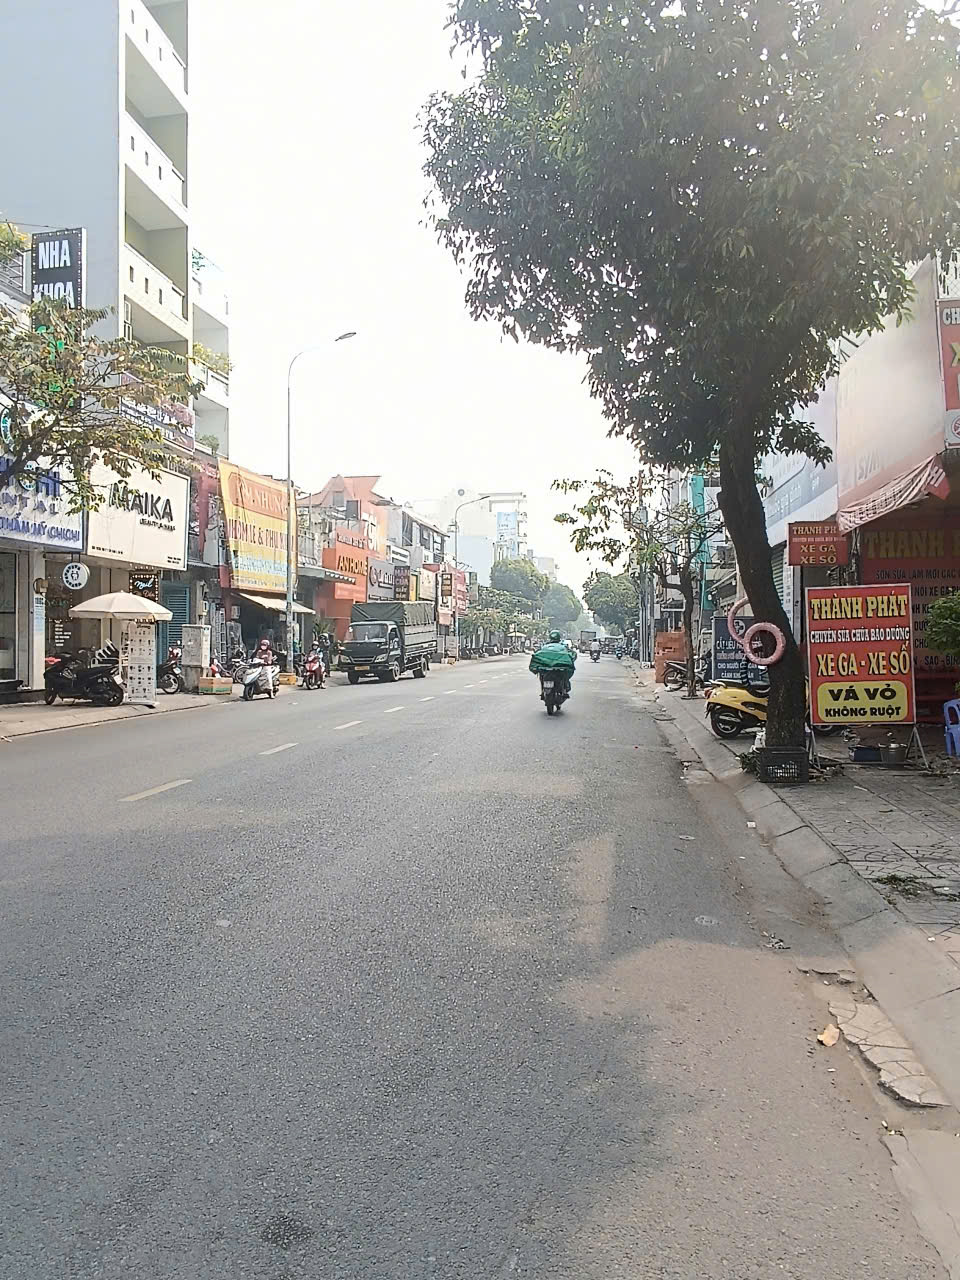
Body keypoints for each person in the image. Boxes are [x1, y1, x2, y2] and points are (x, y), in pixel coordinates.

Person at [529, 629, 576, 695]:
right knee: (565, 675)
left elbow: (536, 655)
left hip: (546, 669)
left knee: (542, 675)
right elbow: (572, 655)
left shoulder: (544, 646)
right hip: (559, 670)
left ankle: (543, 691)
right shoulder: (563, 646)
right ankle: (564, 688)